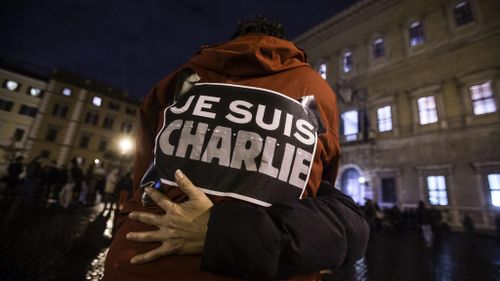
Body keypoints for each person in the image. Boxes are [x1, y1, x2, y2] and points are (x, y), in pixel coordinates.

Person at [103, 16, 369, 281]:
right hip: (253, 266)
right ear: (285, 42)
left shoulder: (177, 79)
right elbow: (320, 185)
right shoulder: (316, 90)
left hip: (141, 260)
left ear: (235, 41)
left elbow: (144, 182)